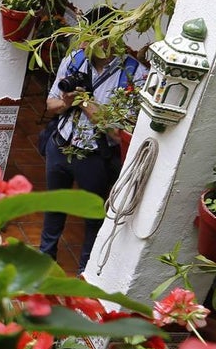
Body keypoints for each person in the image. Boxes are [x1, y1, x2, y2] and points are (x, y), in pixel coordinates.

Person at [39, 29, 147, 274]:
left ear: (111, 38)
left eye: (93, 37)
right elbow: (51, 104)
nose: (84, 43)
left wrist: (85, 101)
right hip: (61, 145)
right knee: (54, 205)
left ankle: (85, 271)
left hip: (95, 157)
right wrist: (67, 102)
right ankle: (45, 258)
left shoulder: (135, 74)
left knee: (93, 216)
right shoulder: (74, 60)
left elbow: (118, 133)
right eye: (85, 36)